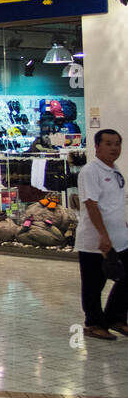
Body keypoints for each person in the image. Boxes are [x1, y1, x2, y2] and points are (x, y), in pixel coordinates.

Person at [75, 129, 128, 341]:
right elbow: (91, 204)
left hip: (120, 238)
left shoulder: (115, 170)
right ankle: (93, 323)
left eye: (117, 143)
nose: (114, 148)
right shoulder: (90, 171)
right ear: (97, 146)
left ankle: (115, 317)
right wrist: (103, 236)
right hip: (95, 241)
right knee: (94, 284)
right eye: (108, 143)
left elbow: (114, 204)